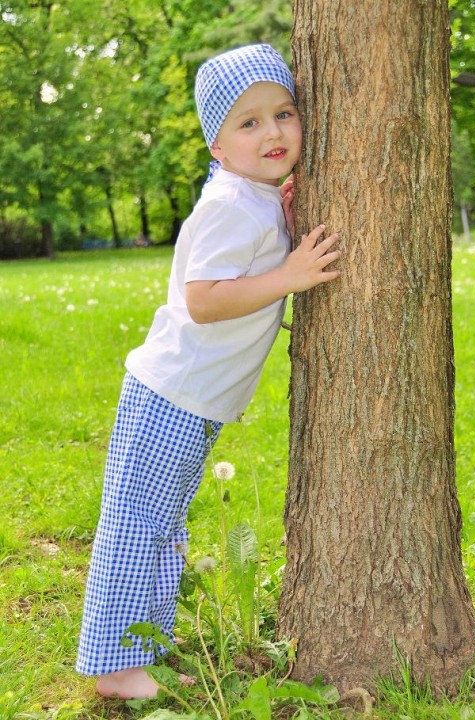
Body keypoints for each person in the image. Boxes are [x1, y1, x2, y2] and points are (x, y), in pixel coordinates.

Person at [76, 43, 341, 700]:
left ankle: (140, 648)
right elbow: (204, 297)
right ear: (216, 146)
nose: (273, 132)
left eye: (283, 113)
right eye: (247, 123)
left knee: (161, 526)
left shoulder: (252, 196)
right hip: (170, 393)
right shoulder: (229, 203)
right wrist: (289, 278)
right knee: (140, 525)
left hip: (191, 399)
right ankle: (115, 668)